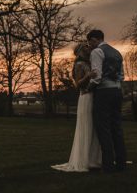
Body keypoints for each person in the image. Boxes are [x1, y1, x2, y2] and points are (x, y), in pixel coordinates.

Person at [51, 43, 102, 172]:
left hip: (94, 96)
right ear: (79, 51)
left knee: (94, 128)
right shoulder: (79, 64)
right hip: (86, 97)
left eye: (88, 46)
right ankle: (84, 159)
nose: (88, 48)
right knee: (87, 127)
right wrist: (88, 76)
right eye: (84, 46)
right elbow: (78, 84)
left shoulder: (89, 62)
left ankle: (94, 158)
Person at [87, 29, 127, 173]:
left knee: (103, 128)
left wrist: (89, 88)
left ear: (94, 39)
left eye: (90, 42)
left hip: (104, 92)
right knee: (117, 127)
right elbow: (122, 76)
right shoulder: (117, 52)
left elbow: (96, 76)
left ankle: (108, 165)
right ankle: (121, 162)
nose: (89, 45)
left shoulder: (97, 52)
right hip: (117, 91)